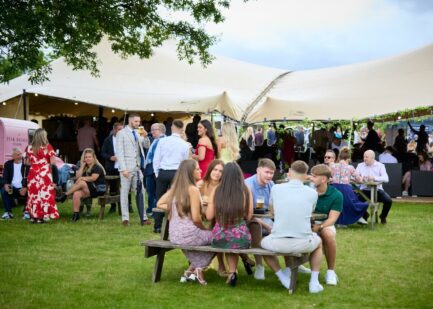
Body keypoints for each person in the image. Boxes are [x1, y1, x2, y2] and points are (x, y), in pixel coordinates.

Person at [260, 160, 324, 293]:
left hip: (278, 241)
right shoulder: (312, 193)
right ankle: (314, 282)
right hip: (303, 242)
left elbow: (272, 211)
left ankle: (282, 277)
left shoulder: (276, 188)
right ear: (306, 175)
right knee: (319, 243)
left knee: (261, 244)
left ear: (289, 173)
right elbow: (310, 212)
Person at [157, 159, 214, 285]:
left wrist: (178, 208)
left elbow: (159, 203)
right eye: (197, 169)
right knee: (221, 238)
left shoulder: (176, 188)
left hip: (174, 235)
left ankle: (190, 271)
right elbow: (196, 218)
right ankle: (198, 268)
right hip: (189, 234)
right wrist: (205, 229)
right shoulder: (193, 189)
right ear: (190, 172)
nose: (201, 171)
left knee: (209, 240)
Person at [206, 162, 253, 287]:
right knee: (233, 242)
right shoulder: (245, 189)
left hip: (219, 236)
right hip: (241, 236)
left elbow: (209, 216)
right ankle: (232, 272)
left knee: (227, 241)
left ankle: (231, 273)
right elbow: (249, 216)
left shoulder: (217, 190)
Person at [153, 119, 190, 233]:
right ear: (181, 129)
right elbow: (185, 162)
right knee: (176, 199)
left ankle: (157, 225)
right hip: (176, 173)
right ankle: (174, 223)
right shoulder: (184, 144)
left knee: (160, 197)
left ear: (172, 128)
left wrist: (157, 173)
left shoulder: (163, 141)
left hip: (163, 171)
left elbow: (156, 158)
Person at [309, 164, 343, 286]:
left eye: (314, 176)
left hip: (324, 223)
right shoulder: (307, 190)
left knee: (328, 234)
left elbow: (332, 219)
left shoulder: (336, 195)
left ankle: (330, 271)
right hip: (306, 223)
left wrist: (319, 227)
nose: (311, 178)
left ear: (323, 179)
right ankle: (293, 268)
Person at [116, 113, 151, 226]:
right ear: (130, 121)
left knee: (141, 192)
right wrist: (123, 169)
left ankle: (144, 217)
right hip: (126, 168)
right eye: (136, 121)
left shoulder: (139, 131)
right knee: (125, 193)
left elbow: (146, 146)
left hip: (137, 167)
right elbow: (119, 152)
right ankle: (125, 218)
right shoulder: (121, 133)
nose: (138, 123)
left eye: (139, 121)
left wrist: (146, 136)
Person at [198, 159, 228, 276]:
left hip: (218, 219)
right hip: (201, 220)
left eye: (220, 171)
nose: (217, 173)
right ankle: (198, 264)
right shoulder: (202, 184)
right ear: (210, 170)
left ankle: (220, 265)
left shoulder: (223, 187)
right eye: (215, 170)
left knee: (218, 229)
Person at [61, 148, 106, 221]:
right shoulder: (85, 167)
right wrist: (82, 166)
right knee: (76, 194)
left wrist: (82, 178)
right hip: (89, 189)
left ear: (93, 158)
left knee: (81, 182)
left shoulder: (96, 167)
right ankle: (76, 215)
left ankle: (65, 195)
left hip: (98, 189)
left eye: (89, 157)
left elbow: (93, 178)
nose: (87, 159)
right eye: (86, 157)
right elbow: (77, 176)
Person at [24, 128, 59, 223]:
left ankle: (33, 216)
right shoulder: (48, 147)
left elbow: (27, 163)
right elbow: (53, 162)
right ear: (43, 136)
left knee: (33, 195)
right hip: (44, 173)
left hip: (33, 173)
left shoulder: (29, 147)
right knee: (44, 195)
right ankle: (42, 217)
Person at [356, 150, 392, 224]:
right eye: (364, 157)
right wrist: (359, 178)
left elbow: (386, 179)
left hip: (377, 190)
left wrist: (374, 178)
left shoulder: (380, 165)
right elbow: (355, 176)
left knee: (388, 201)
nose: (364, 158)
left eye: (366, 157)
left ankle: (383, 216)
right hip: (364, 190)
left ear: (373, 158)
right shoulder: (360, 165)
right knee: (354, 202)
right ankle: (365, 215)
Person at [101, 122, 125, 213]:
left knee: (125, 186)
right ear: (114, 130)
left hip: (123, 166)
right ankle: (113, 205)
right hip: (112, 166)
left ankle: (128, 205)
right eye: (119, 129)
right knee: (113, 187)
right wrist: (110, 157)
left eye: (122, 129)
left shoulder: (125, 139)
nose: (121, 131)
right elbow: (103, 153)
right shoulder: (108, 140)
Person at [144, 123, 166, 216]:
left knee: (157, 191)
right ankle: (150, 209)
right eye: (151, 129)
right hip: (150, 169)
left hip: (157, 169)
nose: (152, 131)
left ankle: (155, 210)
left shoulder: (165, 140)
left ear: (161, 130)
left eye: (154, 129)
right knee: (150, 191)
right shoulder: (154, 140)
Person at [1, 148, 28, 220]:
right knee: (3, 190)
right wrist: (6, 184)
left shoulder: (25, 164)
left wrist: (26, 187)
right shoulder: (8, 164)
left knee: (32, 190)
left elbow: (29, 177)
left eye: (20, 154)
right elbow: (5, 177)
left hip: (23, 188)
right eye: (18, 154)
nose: (20, 156)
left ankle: (26, 212)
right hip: (12, 188)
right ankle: (8, 212)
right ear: (13, 156)